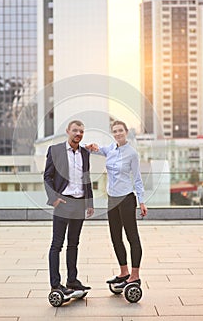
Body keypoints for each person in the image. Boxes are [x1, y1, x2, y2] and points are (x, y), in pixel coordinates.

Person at [86, 120, 147, 289]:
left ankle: (135, 276)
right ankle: (124, 272)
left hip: (126, 199)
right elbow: (96, 149)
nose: (118, 133)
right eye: (115, 131)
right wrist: (87, 145)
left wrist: (142, 201)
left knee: (132, 237)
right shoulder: (110, 149)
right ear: (112, 133)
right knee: (115, 237)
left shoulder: (132, 154)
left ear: (126, 132)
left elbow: (137, 179)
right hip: (112, 199)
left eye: (121, 130)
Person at [44, 120, 94, 298]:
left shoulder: (85, 153)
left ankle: (72, 280)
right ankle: (55, 285)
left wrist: (89, 202)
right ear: (68, 131)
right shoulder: (55, 150)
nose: (78, 134)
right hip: (63, 203)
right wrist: (54, 198)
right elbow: (47, 176)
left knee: (74, 244)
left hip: (79, 203)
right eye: (75, 130)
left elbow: (86, 178)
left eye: (81, 131)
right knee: (57, 244)